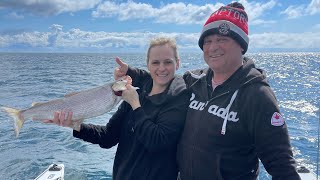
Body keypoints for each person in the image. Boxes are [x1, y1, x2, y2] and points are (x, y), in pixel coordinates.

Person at [114, 2, 301, 180]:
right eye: (207, 41)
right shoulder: (193, 80)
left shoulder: (257, 95)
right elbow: (160, 77)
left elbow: (281, 163)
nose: (213, 47)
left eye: (222, 39)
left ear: (241, 45)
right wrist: (130, 73)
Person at [44, 37, 190, 180]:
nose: (162, 68)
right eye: (155, 62)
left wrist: (135, 105)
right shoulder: (137, 94)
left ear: (177, 64)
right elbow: (108, 137)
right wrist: (75, 125)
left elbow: (158, 141)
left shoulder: (179, 97)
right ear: (148, 65)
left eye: (168, 62)